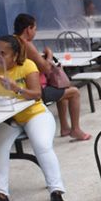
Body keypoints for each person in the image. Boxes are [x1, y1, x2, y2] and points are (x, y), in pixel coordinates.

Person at [0, 35, 66, 201]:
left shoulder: (27, 65)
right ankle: (0, 195)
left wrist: (16, 88)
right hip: (7, 118)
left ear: (14, 56)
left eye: (3, 53)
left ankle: (56, 191)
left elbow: (36, 94)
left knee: (42, 146)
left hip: (34, 114)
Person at [13, 14, 91, 142]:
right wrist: (49, 54)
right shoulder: (26, 44)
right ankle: (76, 130)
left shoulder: (13, 41)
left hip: (21, 86)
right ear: (28, 29)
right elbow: (46, 69)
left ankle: (65, 127)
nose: (35, 32)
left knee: (62, 90)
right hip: (35, 90)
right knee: (74, 92)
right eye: (35, 29)